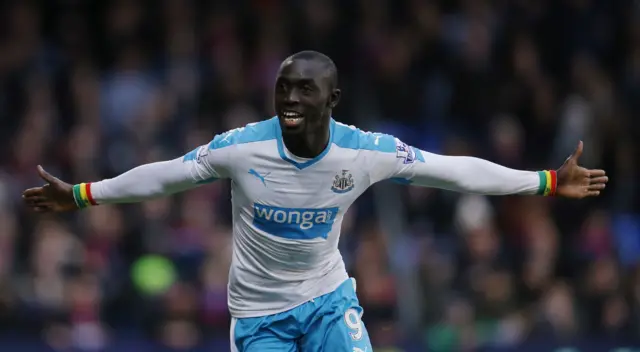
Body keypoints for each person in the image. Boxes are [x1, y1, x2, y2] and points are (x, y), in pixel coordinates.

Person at [22, 50, 608, 352]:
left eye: (305, 89)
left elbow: (453, 172)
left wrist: (547, 182)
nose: (290, 98)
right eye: (283, 88)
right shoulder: (243, 147)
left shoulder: (365, 152)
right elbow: (167, 177)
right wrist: (82, 194)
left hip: (329, 297)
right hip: (257, 316)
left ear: (334, 97)